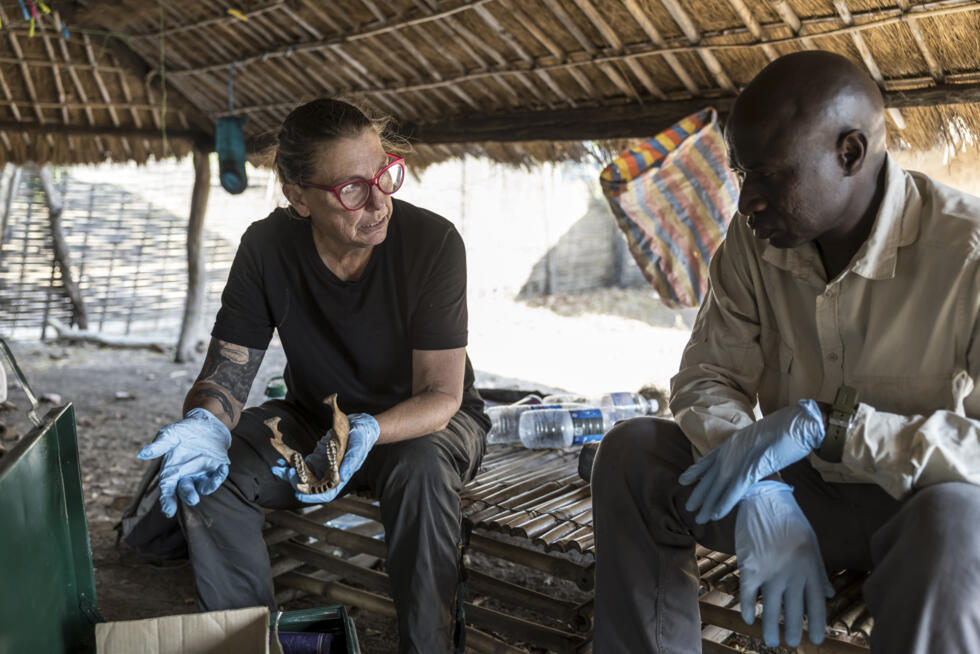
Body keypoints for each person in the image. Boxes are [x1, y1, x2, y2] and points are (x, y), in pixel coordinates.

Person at [591, 50, 980, 654]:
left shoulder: (967, 254)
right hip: (797, 493)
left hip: (910, 511)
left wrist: (840, 431)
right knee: (632, 455)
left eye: (769, 175)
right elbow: (705, 377)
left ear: (849, 154)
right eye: (743, 176)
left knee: (960, 521)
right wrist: (760, 487)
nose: (748, 202)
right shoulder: (752, 244)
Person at [136, 98, 490, 654]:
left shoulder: (432, 243)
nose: (379, 202)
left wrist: (369, 429)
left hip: (424, 424)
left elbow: (442, 394)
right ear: (298, 197)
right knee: (213, 474)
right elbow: (227, 376)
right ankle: (248, 643)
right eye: (352, 189)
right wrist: (206, 422)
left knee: (417, 468)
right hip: (316, 421)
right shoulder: (266, 248)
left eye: (384, 175)